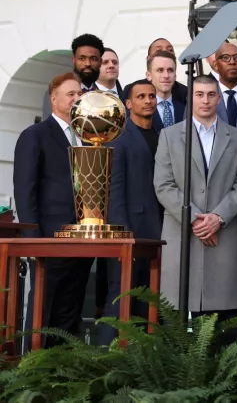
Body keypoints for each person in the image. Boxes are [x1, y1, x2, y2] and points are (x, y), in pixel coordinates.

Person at [154, 75, 237, 346]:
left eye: (211, 94)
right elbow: (163, 184)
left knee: (220, 323)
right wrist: (197, 220)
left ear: (219, 98)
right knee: (176, 315)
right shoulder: (169, 135)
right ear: (190, 98)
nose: (205, 100)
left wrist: (218, 218)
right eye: (199, 95)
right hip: (182, 233)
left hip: (223, 234)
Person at [14, 72, 88, 348]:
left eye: (79, 94)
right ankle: (33, 369)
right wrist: (34, 241)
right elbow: (25, 190)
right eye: (70, 94)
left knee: (71, 310)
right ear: (53, 99)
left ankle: (64, 374)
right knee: (43, 309)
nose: (76, 99)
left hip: (82, 239)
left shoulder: (86, 136)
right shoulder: (35, 135)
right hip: (49, 239)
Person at [97, 80, 164, 345]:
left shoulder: (161, 134)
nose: (148, 100)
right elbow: (113, 189)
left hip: (158, 230)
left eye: (151, 96)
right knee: (121, 295)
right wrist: (121, 233)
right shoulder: (120, 137)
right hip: (130, 230)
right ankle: (106, 356)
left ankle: (145, 358)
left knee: (151, 299)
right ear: (128, 103)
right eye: (141, 96)